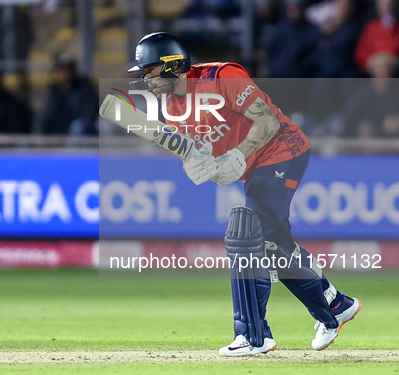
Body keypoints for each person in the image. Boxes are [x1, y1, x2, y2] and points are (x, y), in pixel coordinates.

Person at [127, 32, 361, 356]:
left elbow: (265, 122)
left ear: (173, 65)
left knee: (245, 235)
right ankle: (335, 305)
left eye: (149, 71)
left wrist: (237, 154)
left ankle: (254, 335)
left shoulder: (222, 76)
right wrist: (198, 167)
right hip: (254, 168)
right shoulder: (172, 107)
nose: (144, 79)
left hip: (283, 150)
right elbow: (197, 154)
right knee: (276, 248)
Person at [265, 0, 319, 78]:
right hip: (280, 77)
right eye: (292, 8)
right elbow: (272, 53)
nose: (295, 11)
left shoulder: (312, 31)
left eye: (298, 8)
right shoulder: (280, 29)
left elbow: (313, 59)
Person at [42, 55, 99, 135]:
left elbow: (91, 111)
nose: (65, 72)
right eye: (62, 69)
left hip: (83, 130)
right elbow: (48, 117)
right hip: (60, 133)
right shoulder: (54, 91)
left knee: (77, 126)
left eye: (68, 69)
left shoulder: (84, 86)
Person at [355, 0, 399, 74]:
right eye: (383, 3)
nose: (387, 7)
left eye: (390, 3)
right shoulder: (370, 27)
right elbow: (360, 54)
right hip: (373, 72)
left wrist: (391, 61)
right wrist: (374, 63)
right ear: (378, 6)